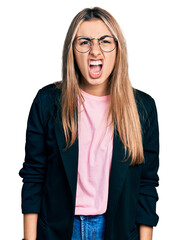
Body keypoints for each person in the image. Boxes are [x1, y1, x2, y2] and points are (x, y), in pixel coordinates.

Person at [19, 7, 159, 240]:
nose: (95, 50)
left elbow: (147, 183)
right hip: (58, 230)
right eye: (84, 42)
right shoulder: (47, 102)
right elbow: (34, 175)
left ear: (118, 49)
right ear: (72, 51)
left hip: (118, 230)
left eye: (105, 41)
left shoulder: (142, 108)